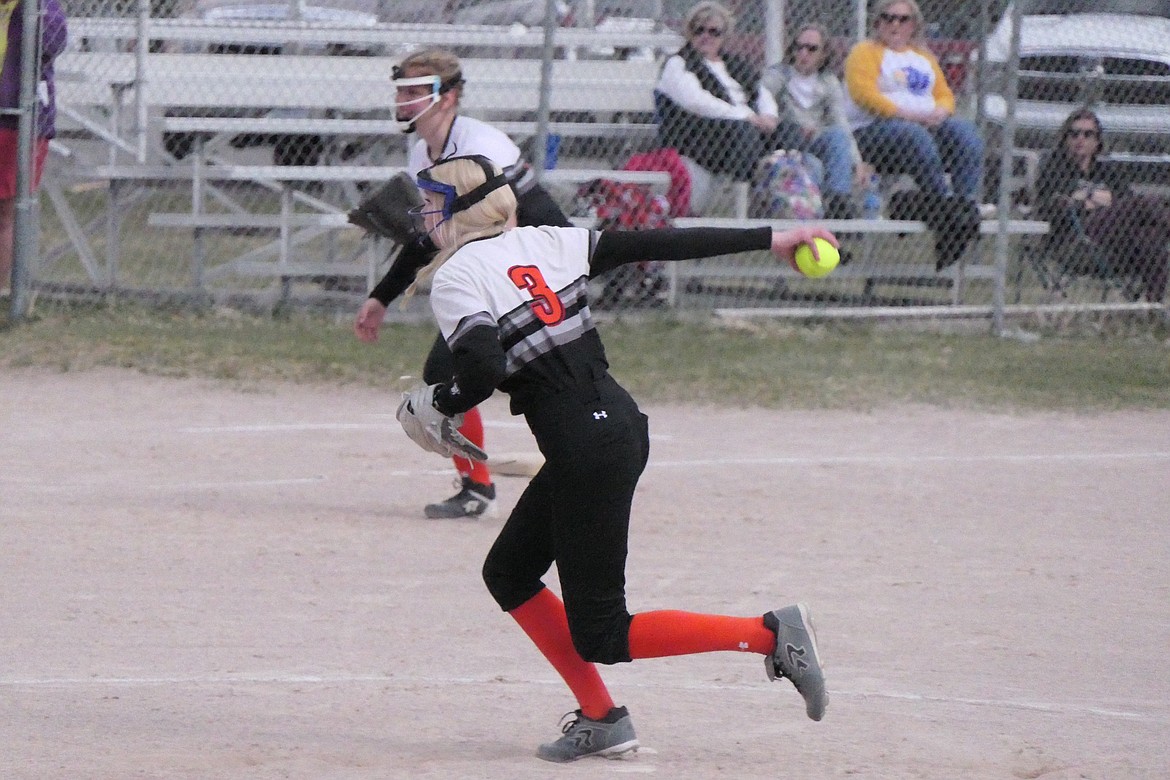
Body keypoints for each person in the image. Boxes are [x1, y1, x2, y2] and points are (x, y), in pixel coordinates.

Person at [397, 153, 833, 762]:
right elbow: (661, 241)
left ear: (461, 208)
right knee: (509, 572)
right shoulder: (548, 240)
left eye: (431, 201)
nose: (423, 214)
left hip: (586, 449)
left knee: (603, 631)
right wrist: (774, 237)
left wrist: (437, 401)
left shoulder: (456, 276)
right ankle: (602, 718)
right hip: (615, 428)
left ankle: (768, 634)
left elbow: (483, 367)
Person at [353, 48, 571, 519]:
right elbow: (429, 234)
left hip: (531, 265)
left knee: (515, 375)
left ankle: (516, 478)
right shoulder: (422, 151)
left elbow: (508, 224)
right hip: (493, 269)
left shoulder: (479, 145)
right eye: (402, 91)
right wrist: (380, 297)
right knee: (466, 372)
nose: (405, 100)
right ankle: (484, 484)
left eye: (417, 91)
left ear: (448, 96)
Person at [842, 0, 987, 268]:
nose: (895, 24)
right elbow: (863, 95)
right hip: (873, 134)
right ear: (877, 22)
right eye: (888, 18)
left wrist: (941, 112)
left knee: (966, 134)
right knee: (912, 135)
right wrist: (910, 115)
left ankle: (963, 210)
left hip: (922, 133)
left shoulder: (923, 57)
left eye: (903, 19)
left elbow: (944, 95)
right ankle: (947, 210)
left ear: (914, 25)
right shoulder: (865, 52)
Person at [1036, 108, 1170, 302]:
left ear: (1097, 140)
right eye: (1074, 134)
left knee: (1150, 238)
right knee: (1141, 204)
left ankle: (1152, 308)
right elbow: (1054, 205)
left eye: (1088, 134)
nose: (1080, 139)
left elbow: (1125, 201)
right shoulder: (1053, 167)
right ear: (1065, 138)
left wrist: (1087, 197)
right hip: (1076, 239)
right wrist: (1097, 200)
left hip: (1116, 240)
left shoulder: (1106, 170)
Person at [655, 1, 780, 186]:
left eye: (714, 32)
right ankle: (744, 194)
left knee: (788, 130)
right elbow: (695, 101)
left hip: (744, 131)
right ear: (690, 33)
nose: (706, 36)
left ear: (724, 36)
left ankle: (797, 184)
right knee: (744, 132)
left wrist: (769, 116)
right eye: (699, 30)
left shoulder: (735, 64)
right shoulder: (678, 63)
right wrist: (746, 116)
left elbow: (762, 93)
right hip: (701, 135)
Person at [762, 21, 873, 219]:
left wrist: (857, 162)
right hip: (786, 142)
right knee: (813, 165)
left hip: (816, 140)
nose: (804, 53)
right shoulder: (779, 75)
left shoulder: (828, 82)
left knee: (837, 135)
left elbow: (841, 123)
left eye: (812, 49)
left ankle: (839, 202)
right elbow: (761, 99)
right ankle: (821, 218)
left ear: (823, 54)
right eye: (799, 47)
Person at [1, 0, 67, 295]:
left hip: (17, 121)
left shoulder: (40, 6)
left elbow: (53, 43)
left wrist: (33, 13)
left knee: (5, 212)